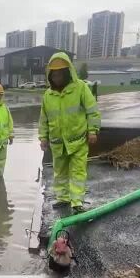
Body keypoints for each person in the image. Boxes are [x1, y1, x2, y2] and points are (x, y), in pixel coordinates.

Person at [39, 52, 100, 215]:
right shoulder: (48, 95)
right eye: (54, 74)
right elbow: (43, 119)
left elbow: (92, 111)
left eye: (60, 73)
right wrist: (43, 138)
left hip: (78, 140)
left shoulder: (80, 88)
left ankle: (77, 201)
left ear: (67, 72)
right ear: (50, 75)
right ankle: (63, 198)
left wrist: (93, 131)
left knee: (78, 171)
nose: (57, 77)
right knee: (59, 172)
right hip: (58, 143)